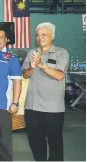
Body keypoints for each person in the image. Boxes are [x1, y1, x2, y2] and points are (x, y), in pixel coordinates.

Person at [22, 22, 69, 161]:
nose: (40, 37)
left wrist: (41, 64)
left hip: (52, 108)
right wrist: (31, 67)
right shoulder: (32, 53)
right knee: (35, 142)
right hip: (32, 106)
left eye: (44, 34)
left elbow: (60, 75)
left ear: (52, 36)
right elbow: (25, 74)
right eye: (38, 35)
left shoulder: (61, 53)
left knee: (55, 143)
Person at [0, 26, 22, 161]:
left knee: (4, 138)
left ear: (6, 40)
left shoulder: (11, 58)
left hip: (2, 104)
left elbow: (17, 82)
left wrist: (15, 103)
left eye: (1, 37)